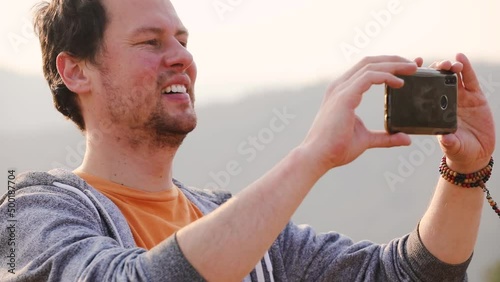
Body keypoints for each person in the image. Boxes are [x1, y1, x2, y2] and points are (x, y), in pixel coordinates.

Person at [0, 0, 496, 281]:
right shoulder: (30, 210)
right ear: (75, 71)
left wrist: (466, 172)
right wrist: (310, 157)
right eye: (150, 42)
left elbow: (405, 277)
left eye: (183, 41)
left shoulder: (236, 223)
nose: (181, 58)